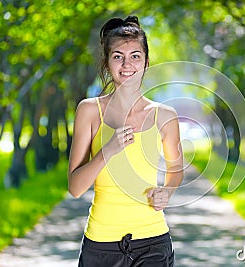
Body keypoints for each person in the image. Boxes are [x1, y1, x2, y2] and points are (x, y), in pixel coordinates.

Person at [68, 15, 183, 267]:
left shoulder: (164, 116)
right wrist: (106, 152)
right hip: (101, 244)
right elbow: (75, 188)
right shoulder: (89, 111)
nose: (127, 64)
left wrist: (168, 190)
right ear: (107, 62)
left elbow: (176, 170)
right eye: (118, 56)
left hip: (153, 241)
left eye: (135, 56)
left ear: (146, 62)